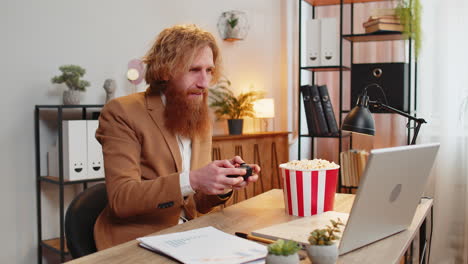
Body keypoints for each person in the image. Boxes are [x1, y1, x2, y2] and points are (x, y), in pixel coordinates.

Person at [94, 24, 260, 250]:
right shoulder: (121, 112)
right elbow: (121, 200)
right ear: (165, 70)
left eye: (209, 71)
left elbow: (198, 205)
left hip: (187, 236)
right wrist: (193, 180)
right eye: (194, 70)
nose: (204, 83)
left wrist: (224, 181)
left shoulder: (198, 116)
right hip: (135, 242)